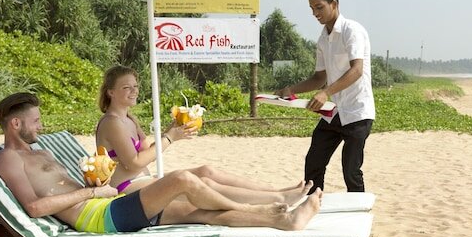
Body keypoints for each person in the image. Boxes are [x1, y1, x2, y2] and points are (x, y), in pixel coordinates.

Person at [0, 92, 321, 234]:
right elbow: (35, 208)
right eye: (35, 122)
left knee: (201, 214)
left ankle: (285, 221)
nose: (41, 126)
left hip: (107, 205)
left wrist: (95, 181)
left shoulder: (42, 152)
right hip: (99, 217)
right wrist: (91, 195)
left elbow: (69, 187)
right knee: (183, 180)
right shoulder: (9, 160)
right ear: (16, 125)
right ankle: (257, 209)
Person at [95, 65, 311, 205]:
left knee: (206, 171)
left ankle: (277, 190)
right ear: (110, 92)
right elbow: (133, 163)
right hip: (127, 189)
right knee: (206, 184)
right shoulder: (112, 123)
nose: (134, 91)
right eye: (126, 87)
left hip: (145, 180)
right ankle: (278, 199)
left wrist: (174, 126)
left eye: (135, 86)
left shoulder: (130, 119)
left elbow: (149, 152)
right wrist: (170, 137)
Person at [276, 0, 375, 193]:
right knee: (313, 163)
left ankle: (357, 216)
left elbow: (357, 70)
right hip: (335, 112)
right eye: (312, 8)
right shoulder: (322, 39)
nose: (315, 13)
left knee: (351, 170)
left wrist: (326, 93)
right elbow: (319, 78)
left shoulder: (352, 31)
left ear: (334, 4)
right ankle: (311, 205)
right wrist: (290, 90)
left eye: (319, 7)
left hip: (358, 112)